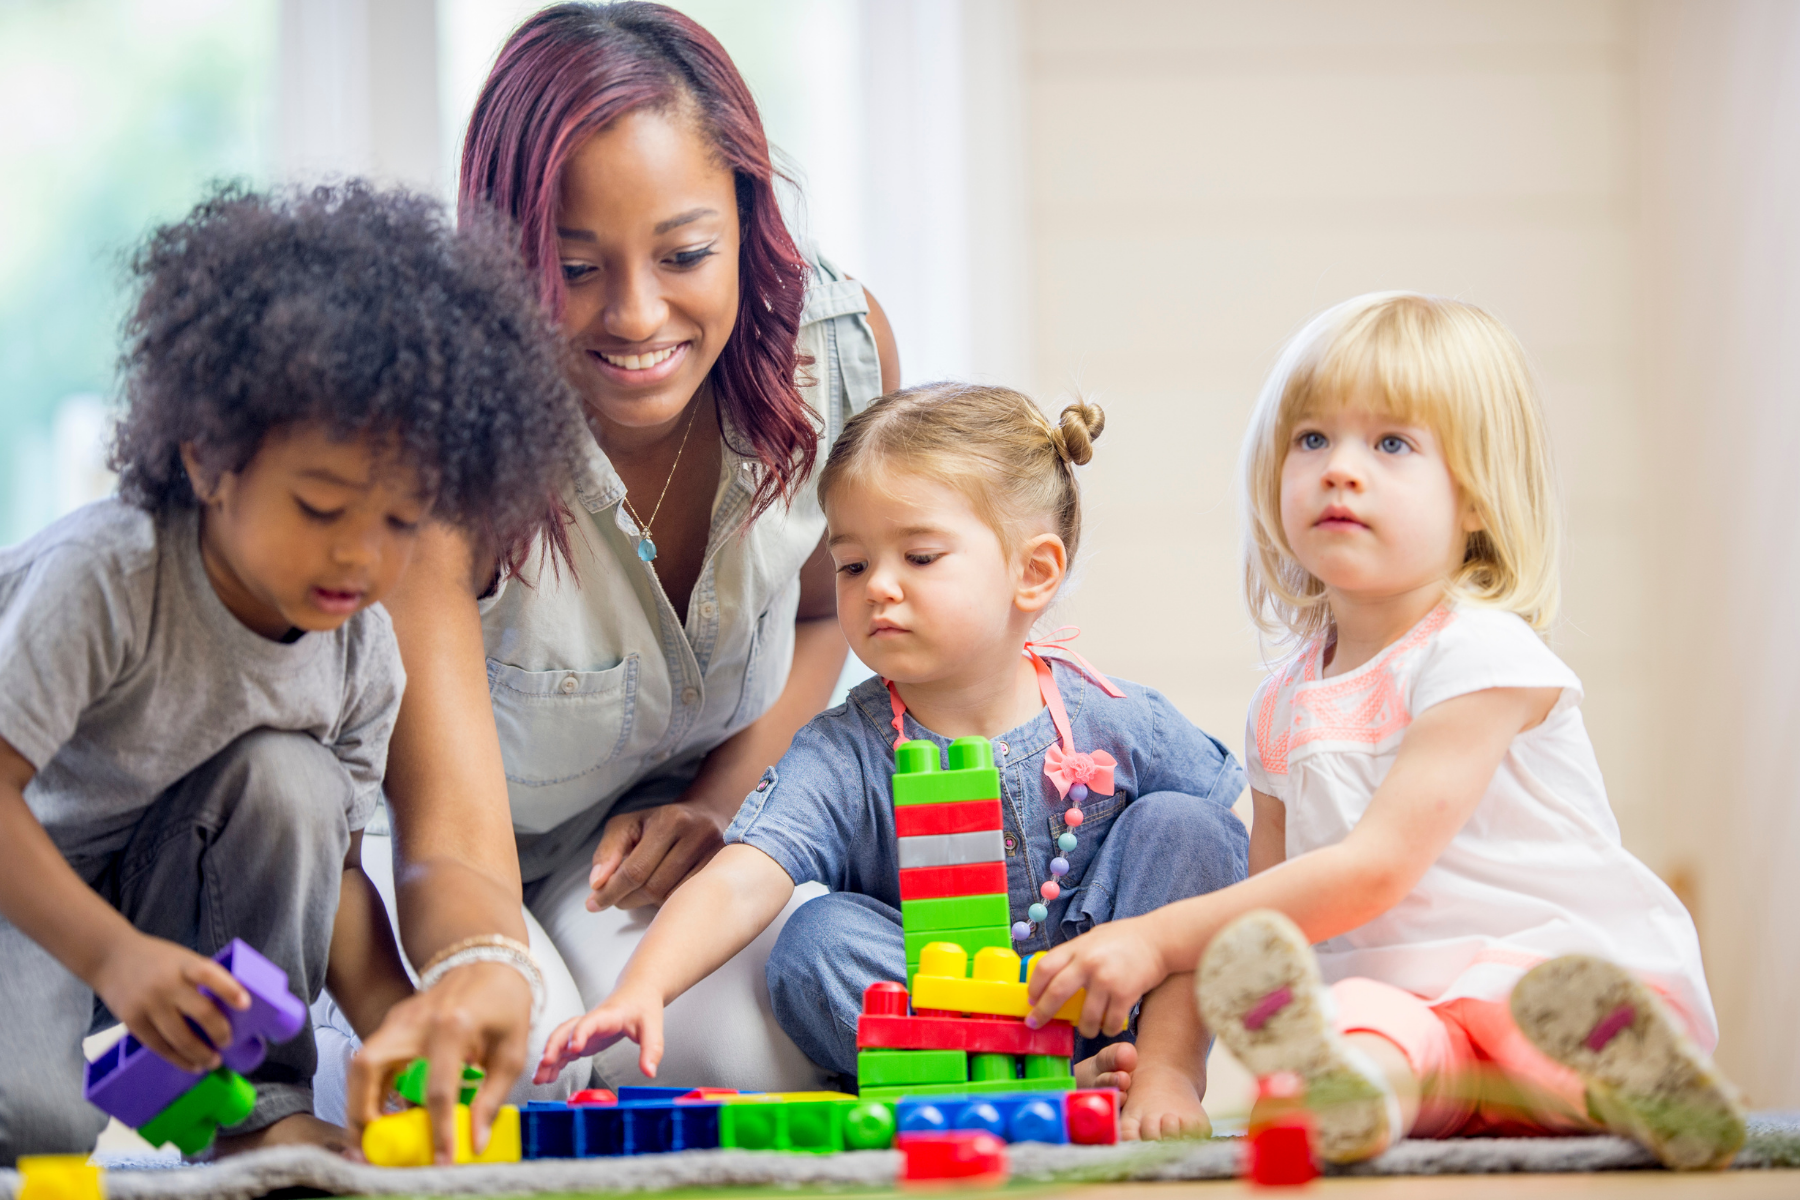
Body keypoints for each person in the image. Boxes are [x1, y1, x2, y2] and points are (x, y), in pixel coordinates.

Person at [332, 3, 900, 1156]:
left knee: (761, 1050)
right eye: (576, 269)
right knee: (523, 1071)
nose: (638, 316)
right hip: (450, 867)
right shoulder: (433, 443)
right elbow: (450, 839)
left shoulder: (836, 354)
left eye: (686, 255)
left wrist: (727, 804)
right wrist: (485, 972)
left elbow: (833, 612)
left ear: (748, 219)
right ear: (500, 258)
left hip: (668, 844)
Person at [1021, 293, 1746, 1168]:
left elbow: (1374, 871)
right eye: (1312, 439)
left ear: (1475, 499)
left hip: (1546, 969)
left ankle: (1628, 1077)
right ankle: (1351, 1095)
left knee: (1528, 1036)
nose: (1340, 470)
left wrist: (1150, 935)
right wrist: (1168, 1063)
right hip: (1405, 998)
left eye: (1391, 444)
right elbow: (1262, 914)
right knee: (1369, 1035)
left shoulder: (1479, 653)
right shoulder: (1283, 701)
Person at [0, 183, 583, 1163]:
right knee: (37, 1128)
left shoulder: (361, 650)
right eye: (320, 508)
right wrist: (113, 955)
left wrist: (406, 1027)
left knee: (294, 781)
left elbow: (340, 884)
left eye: (402, 523)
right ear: (208, 458)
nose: (359, 557)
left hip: (156, 891)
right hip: (27, 878)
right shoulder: (106, 579)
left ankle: (253, 1121)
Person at [534, 383, 1249, 1141]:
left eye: (920, 555)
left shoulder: (1116, 717)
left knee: (1190, 826)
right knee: (816, 942)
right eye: (851, 565)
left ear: (1033, 572)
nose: (878, 586)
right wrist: (643, 986)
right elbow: (745, 877)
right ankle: (1007, 1095)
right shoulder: (844, 752)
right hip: (942, 1026)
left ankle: (1163, 1072)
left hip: (1113, 1006)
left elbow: (1236, 849)